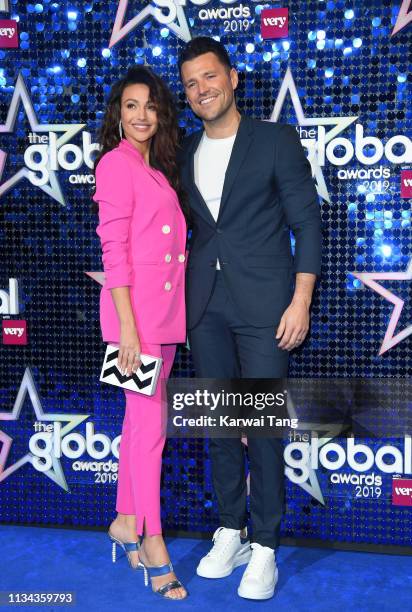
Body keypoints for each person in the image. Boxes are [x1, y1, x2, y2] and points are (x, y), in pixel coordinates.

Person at [178, 37, 322, 600]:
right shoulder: (184, 152)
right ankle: (231, 531)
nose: (201, 90)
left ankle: (265, 547)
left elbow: (307, 225)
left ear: (233, 78)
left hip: (267, 309)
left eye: (210, 77)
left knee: (260, 431)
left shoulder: (275, 141)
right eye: (190, 83)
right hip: (204, 309)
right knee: (217, 427)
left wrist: (301, 300)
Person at [93, 65, 188, 600]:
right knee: (150, 431)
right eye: (131, 105)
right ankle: (153, 540)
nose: (142, 115)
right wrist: (128, 329)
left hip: (165, 316)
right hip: (137, 320)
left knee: (138, 426)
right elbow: (115, 252)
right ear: (118, 114)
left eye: (150, 105)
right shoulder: (114, 165)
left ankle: (125, 520)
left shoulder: (155, 168)